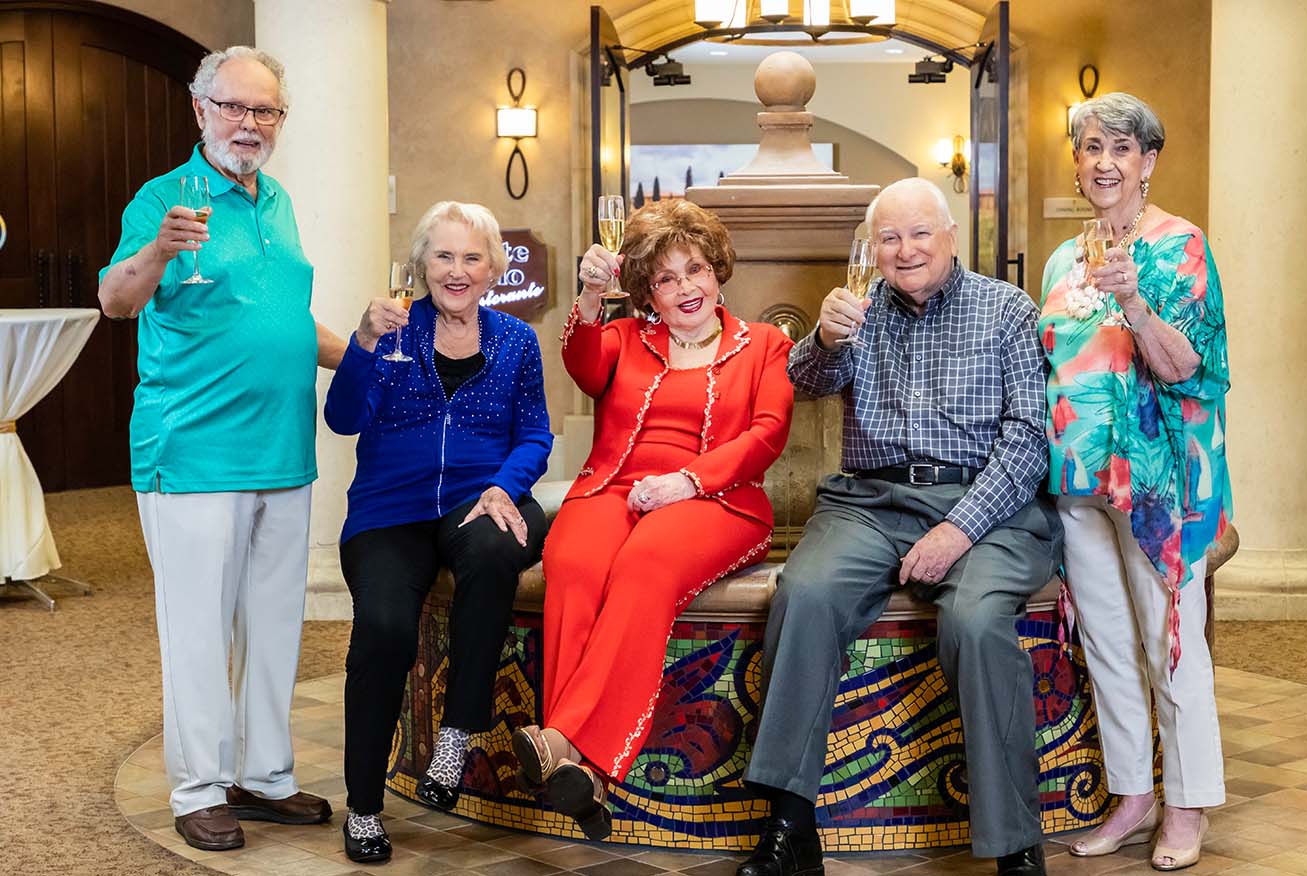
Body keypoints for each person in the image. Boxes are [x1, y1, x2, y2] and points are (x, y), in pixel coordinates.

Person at [738, 178, 1062, 876]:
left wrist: (958, 530)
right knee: (806, 592)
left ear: (951, 237)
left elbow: (1028, 439)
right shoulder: (857, 311)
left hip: (987, 503)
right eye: (889, 237)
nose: (905, 249)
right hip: (870, 503)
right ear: (872, 249)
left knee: (974, 622)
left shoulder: (1007, 310)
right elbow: (808, 382)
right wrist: (824, 337)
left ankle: (1015, 847)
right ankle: (790, 828)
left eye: (920, 233)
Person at [97, 46, 346, 853]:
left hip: (283, 450)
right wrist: (158, 252)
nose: (251, 123)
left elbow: (286, 321)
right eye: (235, 107)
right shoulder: (161, 199)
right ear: (200, 109)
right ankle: (200, 787)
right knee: (199, 628)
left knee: (275, 624)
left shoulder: (277, 202)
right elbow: (115, 300)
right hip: (193, 454)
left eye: (266, 111)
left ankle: (265, 777)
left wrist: (376, 356)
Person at [510, 199, 794, 841]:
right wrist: (588, 296)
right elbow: (583, 366)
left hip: (716, 497)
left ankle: (562, 738)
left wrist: (689, 480)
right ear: (647, 293)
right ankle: (584, 776)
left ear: (717, 270)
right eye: (665, 279)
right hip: (614, 486)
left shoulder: (766, 345)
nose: (685, 288)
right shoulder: (626, 338)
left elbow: (768, 433)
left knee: (646, 562)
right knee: (572, 561)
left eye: (694, 269)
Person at [323, 200, 552, 863]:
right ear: (421, 265)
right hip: (389, 511)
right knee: (385, 632)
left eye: (471, 257)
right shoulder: (390, 331)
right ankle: (364, 806)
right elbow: (342, 419)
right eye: (443, 256)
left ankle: (456, 736)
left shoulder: (516, 341)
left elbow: (535, 432)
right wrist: (363, 342)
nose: (457, 270)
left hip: (484, 499)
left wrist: (503, 487)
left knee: (491, 547)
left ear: (492, 269)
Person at [1039, 92, 1230, 872]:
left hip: (1159, 486)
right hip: (1078, 480)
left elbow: (1194, 370)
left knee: (1169, 641)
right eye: (1090, 148)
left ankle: (1187, 805)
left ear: (1148, 162)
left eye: (1121, 148)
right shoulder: (1060, 258)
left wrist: (1134, 301)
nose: (1104, 163)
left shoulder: (1182, 245)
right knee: (1109, 645)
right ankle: (1133, 797)